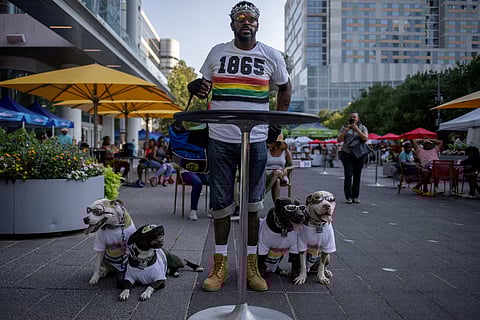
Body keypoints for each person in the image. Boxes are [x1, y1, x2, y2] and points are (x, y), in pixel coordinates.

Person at [187, 1, 292, 292]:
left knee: (253, 204)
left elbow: (285, 86)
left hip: (256, 139)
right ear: (232, 23)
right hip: (220, 137)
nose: (246, 22)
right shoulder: (217, 52)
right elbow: (203, 87)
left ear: (258, 24)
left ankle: (251, 267)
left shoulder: (271, 55)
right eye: (240, 18)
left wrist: (277, 123)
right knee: (220, 205)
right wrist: (193, 87)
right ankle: (218, 266)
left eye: (251, 18)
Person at [337, 112, 369, 204]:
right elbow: (339, 139)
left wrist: (357, 130)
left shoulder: (363, 127)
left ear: (358, 119)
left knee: (357, 176)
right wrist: (346, 130)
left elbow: (365, 139)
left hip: (359, 154)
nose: (353, 119)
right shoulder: (344, 127)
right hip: (347, 154)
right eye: (351, 117)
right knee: (348, 175)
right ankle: (348, 197)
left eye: (354, 117)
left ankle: (355, 196)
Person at [265, 137, 293, 202]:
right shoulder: (267, 151)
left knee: (277, 172)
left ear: (277, 143)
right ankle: (277, 206)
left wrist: (286, 168)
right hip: (267, 174)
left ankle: (262, 194)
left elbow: (292, 165)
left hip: (281, 174)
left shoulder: (285, 152)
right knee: (277, 181)